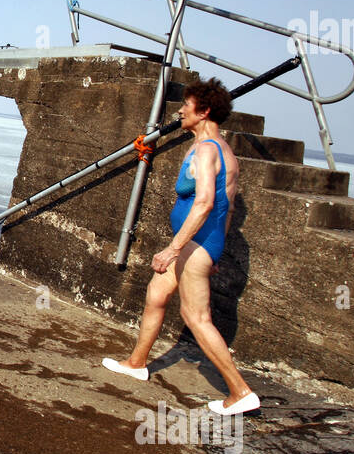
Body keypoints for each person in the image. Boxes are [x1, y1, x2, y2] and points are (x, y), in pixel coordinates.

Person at [102, 78, 260, 415]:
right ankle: (137, 362)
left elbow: (204, 203)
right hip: (204, 243)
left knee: (195, 316)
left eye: (185, 107)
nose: (180, 111)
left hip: (195, 243)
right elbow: (227, 209)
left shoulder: (206, 150)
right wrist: (214, 251)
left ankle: (240, 391)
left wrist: (175, 248)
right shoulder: (222, 150)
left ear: (203, 112)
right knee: (157, 295)